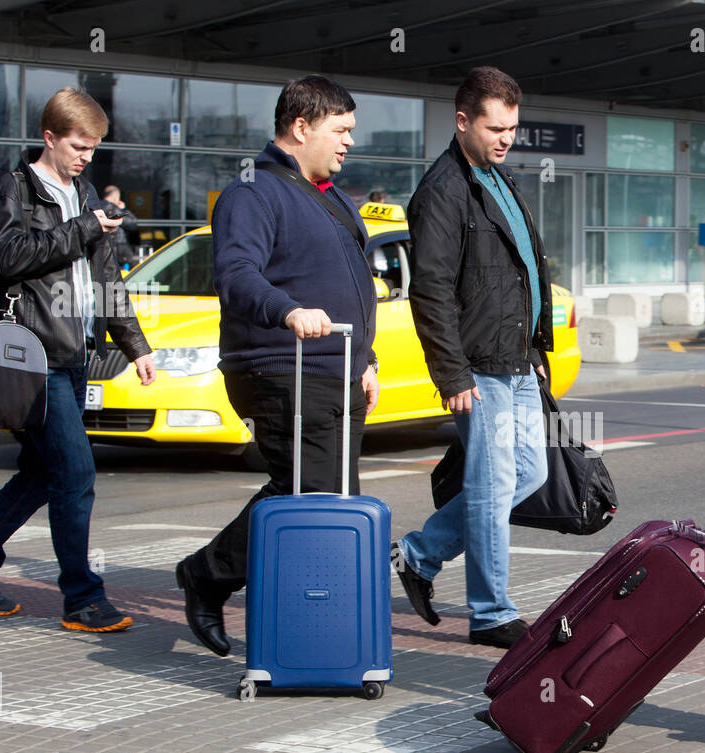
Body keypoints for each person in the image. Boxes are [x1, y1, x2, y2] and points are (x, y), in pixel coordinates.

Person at [0, 87, 156, 632]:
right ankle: (83, 597)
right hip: (29, 358)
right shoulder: (15, 190)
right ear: (50, 137)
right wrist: (84, 227)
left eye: (94, 148)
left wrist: (135, 343)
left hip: (74, 353)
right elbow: (8, 259)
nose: (86, 157)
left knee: (41, 473)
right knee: (76, 472)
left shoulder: (84, 194)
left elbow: (106, 280)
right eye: (79, 146)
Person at [175, 75, 379, 657]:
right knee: (308, 487)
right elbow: (237, 274)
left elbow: (354, 289)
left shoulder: (331, 196)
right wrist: (288, 311)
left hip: (337, 367)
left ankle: (319, 628)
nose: (348, 144)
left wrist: (366, 360)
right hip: (279, 365)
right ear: (300, 127)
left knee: (332, 500)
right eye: (340, 131)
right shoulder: (253, 191)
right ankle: (208, 575)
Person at [392, 66, 552, 649]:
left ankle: (417, 554)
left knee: (529, 472)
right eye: (495, 127)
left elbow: (523, 271)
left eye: (512, 127)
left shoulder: (500, 181)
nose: (506, 138)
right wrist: (452, 373)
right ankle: (490, 613)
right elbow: (430, 288)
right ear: (462, 122)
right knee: (491, 484)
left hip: (516, 359)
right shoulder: (442, 192)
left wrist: (536, 346)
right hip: (479, 367)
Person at [99, 185, 140, 269]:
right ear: (115, 197)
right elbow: (132, 223)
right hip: (118, 247)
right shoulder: (113, 208)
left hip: (102, 245)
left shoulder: (97, 206)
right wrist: (123, 209)